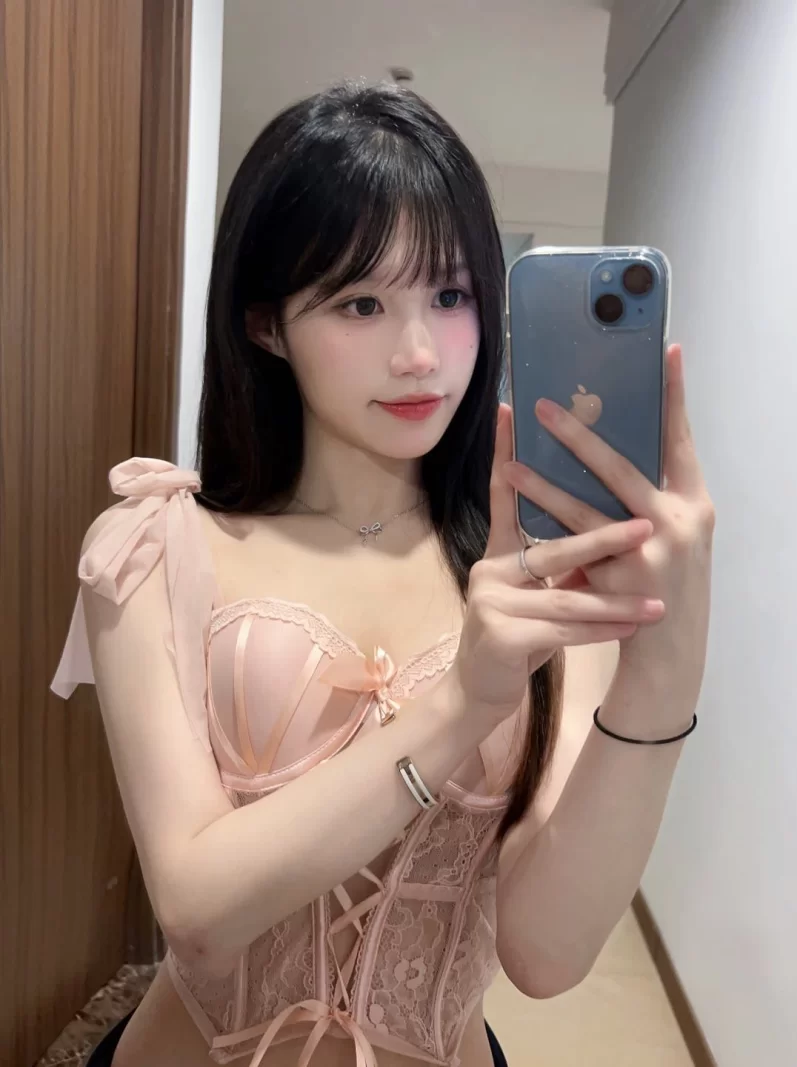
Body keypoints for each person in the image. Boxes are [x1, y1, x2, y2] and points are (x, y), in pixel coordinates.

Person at [52, 82, 714, 1067]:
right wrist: (461, 702)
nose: (418, 354)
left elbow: (544, 952)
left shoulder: (535, 570)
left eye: (450, 296)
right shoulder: (153, 544)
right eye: (360, 302)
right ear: (266, 324)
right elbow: (196, 911)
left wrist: (665, 661)